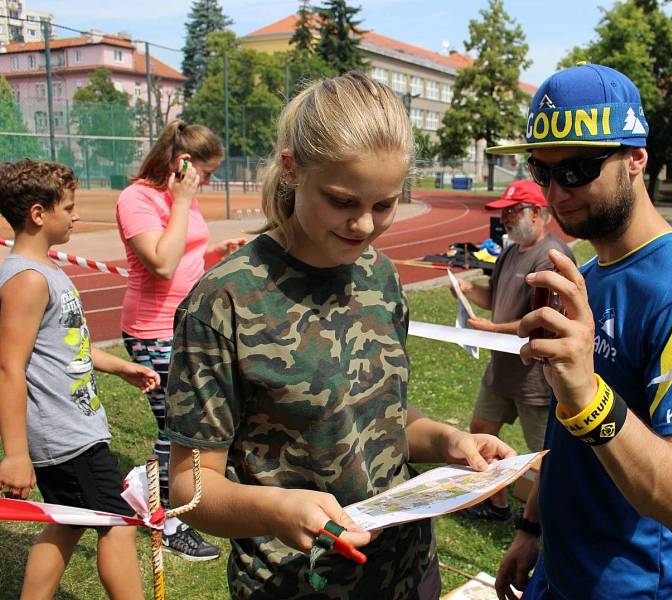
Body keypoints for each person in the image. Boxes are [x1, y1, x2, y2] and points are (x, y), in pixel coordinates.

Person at [163, 71, 515, 599]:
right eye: (343, 202)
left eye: (384, 205)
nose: (365, 226)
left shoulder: (381, 275)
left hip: (409, 571)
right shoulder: (224, 301)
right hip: (295, 584)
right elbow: (191, 485)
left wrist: (448, 441)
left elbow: (377, 416)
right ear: (292, 169)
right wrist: (277, 511)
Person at [486, 64, 672, 600]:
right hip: (560, 575)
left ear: (636, 159)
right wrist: (532, 528)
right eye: (542, 171)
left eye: (578, 169)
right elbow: (566, 431)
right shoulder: (589, 276)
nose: (556, 192)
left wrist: (589, 398)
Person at [0, 159, 160, 599]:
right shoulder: (28, 280)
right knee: (120, 522)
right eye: (68, 208)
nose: (75, 216)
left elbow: (64, 347)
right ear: (38, 213)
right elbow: (10, 366)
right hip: (66, 436)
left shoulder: (48, 270)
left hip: (76, 426)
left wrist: (119, 366)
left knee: (68, 524)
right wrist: (15, 454)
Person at [115, 120, 245, 560]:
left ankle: (161, 495)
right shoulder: (137, 199)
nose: (208, 182)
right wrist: (183, 200)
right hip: (152, 330)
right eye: (205, 173)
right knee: (175, 431)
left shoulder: (177, 199)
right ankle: (158, 510)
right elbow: (162, 264)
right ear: (180, 163)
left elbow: (185, 252)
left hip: (185, 326)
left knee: (189, 425)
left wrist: (215, 255)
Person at [455, 180, 573, 522]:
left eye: (511, 211)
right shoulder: (509, 251)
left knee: (543, 451)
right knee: (481, 429)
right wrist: (467, 291)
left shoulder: (553, 257)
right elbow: (494, 298)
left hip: (535, 374)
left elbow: (546, 322)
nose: (504, 219)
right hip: (502, 368)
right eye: (503, 213)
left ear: (536, 213)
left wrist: (490, 329)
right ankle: (497, 504)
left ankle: (549, 518)